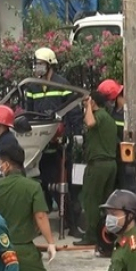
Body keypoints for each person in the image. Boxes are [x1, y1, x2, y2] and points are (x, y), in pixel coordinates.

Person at [26, 47, 82, 215]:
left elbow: (73, 110)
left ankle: (70, 216)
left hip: (60, 140)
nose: (37, 67)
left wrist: (77, 133)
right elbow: (29, 111)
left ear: (50, 65)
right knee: (43, 176)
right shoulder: (33, 86)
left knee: (63, 179)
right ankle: (47, 207)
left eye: (41, 64)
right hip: (40, 141)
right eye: (36, 64)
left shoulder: (62, 84)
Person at [74, 92, 118, 248]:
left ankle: (91, 234)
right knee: (105, 202)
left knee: (91, 200)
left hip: (98, 165)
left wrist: (88, 107)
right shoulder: (109, 119)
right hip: (110, 164)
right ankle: (105, 233)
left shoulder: (98, 115)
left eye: (87, 100)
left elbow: (90, 123)